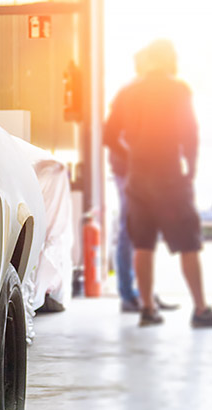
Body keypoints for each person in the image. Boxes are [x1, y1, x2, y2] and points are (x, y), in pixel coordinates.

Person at [104, 39, 212, 327]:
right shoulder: (177, 89)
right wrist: (190, 168)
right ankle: (201, 309)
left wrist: (131, 157)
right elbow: (190, 132)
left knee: (143, 244)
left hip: (138, 177)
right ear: (168, 59)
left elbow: (109, 134)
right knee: (188, 243)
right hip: (169, 176)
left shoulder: (129, 92)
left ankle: (148, 309)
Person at [108, 48, 180, 314]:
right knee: (131, 230)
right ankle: (130, 296)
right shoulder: (132, 93)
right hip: (129, 171)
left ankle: (144, 292)